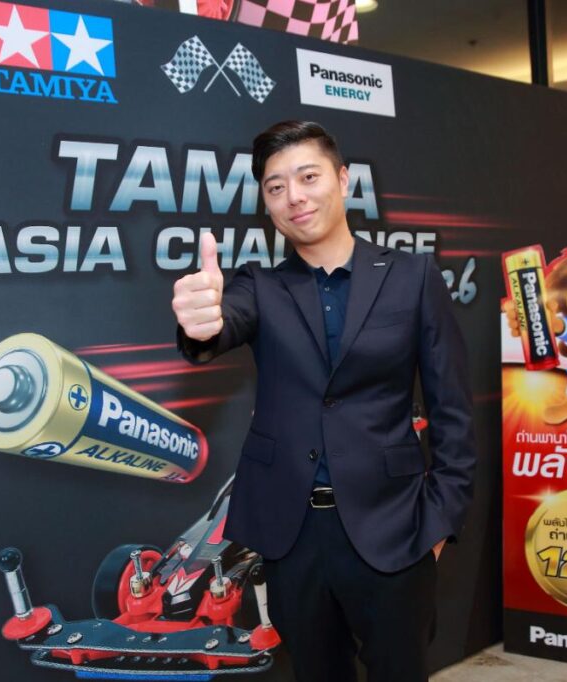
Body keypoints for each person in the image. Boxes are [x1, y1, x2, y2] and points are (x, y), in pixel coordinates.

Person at [172, 120, 475, 682]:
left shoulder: (411, 277)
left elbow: (452, 409)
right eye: (276, 187)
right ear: (266, 203)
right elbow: (218, 325)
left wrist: (439, 521)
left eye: (308, 177)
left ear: (343, 179)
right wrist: (200, 322)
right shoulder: (258, 286)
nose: (294, 196)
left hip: (395, 526)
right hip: (293, 536)